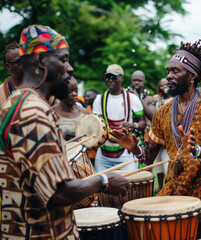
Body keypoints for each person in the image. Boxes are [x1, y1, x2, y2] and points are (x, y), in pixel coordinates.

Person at [0, 24, 129, 239]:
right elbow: (57, 193)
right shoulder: (34, 112)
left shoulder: (16, 101)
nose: (69, 68)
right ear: (41, 61)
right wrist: (104, 181)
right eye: (63, 59)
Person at [110, 38, 201, 238]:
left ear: (191, 75)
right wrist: (133, 149)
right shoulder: (162, 112)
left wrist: (197, 150)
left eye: (176, 71)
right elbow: (148, 158)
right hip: (173, 194)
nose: (169, 76)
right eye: (168, 71)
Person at [92, 64, 146, 171]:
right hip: (103, 155)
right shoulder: (99, 99)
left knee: (130, 185)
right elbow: (96, 125)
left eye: (114, 77)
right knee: (103, 186)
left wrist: (133, 125)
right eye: (108, 77)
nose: (110, 80)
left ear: (121, 78)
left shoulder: (133, 99)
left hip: (126, 154)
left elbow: (142, 123)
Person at [53, 76, 89, 141]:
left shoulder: (84, 113)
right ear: (61, 92)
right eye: (70, 91)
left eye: (76, 91)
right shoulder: (52, 113)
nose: (74, 94)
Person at [153, 78, 173, 191]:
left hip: (167, 140)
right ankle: (160, 187)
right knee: (159, 166)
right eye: (161, 85)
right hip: (158, 138)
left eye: (166, 85)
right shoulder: (158, 101)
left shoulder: (174, 99)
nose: (164, 87)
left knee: (167, 166)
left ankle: (169, 188)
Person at [0, 41, 23, 107]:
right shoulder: (1, 93)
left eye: (25, 59)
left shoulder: (40, 86)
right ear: (8, 66)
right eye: (19, 61)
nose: (25, 63)